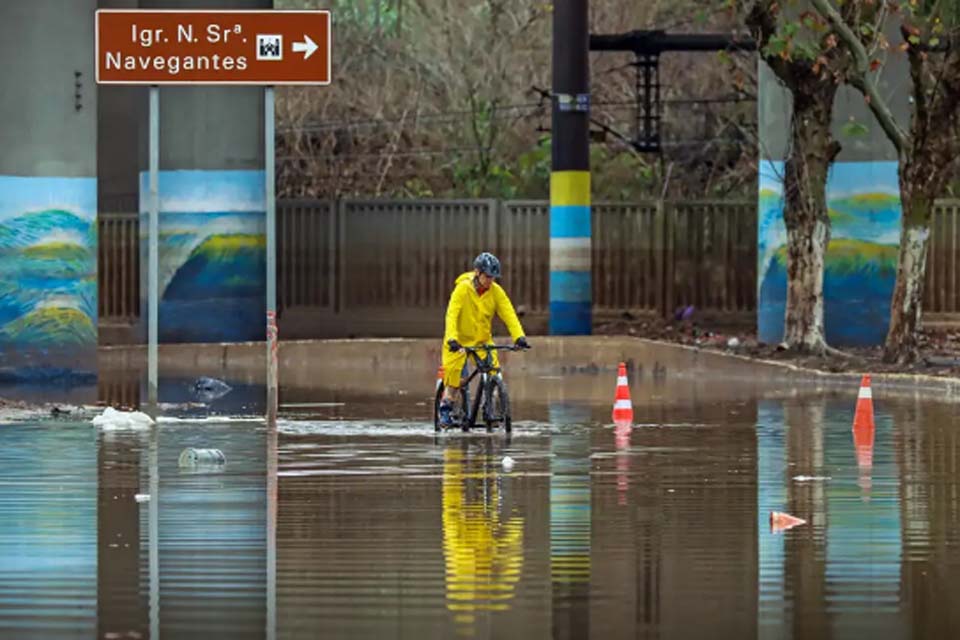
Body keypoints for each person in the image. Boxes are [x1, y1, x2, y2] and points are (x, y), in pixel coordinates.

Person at [438, 252, 530, 427]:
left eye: (493, 277)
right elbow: (452, 314)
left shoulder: (496, 291)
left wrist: (519, 337)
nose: (490, 281)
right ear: (477, 272)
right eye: (487, 276)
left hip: (482, 341)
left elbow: (509, 314)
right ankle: (445, 409)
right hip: (458, 342)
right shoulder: (463, 289)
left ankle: (490, 407)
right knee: (455, 379)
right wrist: (451, 339)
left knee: (494, 373)